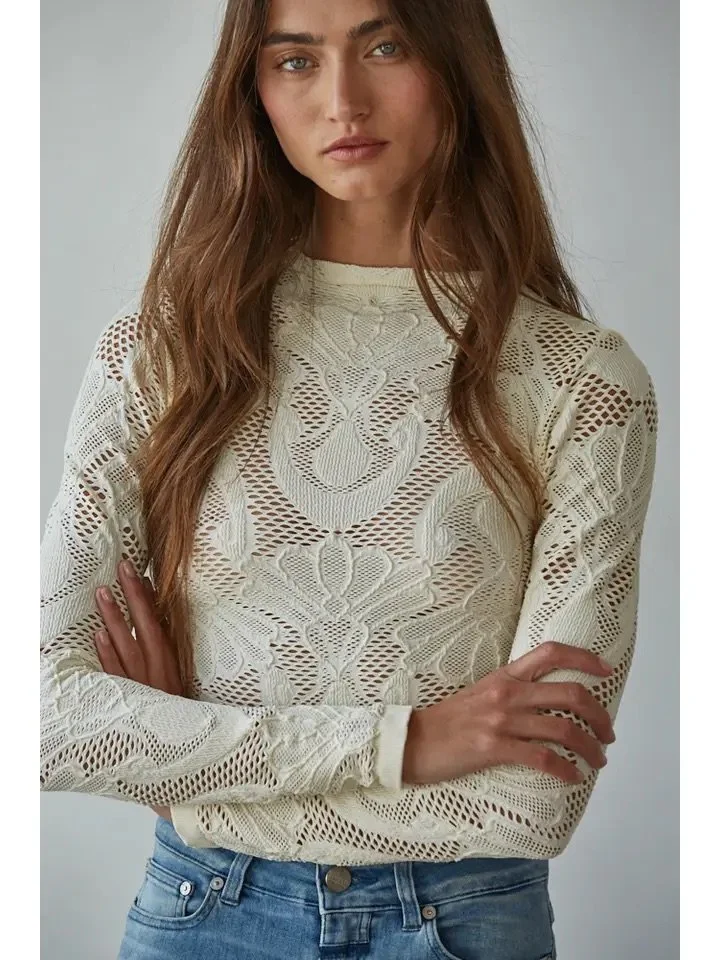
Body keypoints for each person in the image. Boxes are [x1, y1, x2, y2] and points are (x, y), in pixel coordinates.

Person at [40, 1, 659, 958]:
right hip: (205, 918)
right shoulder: (162, 352)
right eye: (294, 60)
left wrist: (189, 768)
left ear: (455, 64)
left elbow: (531, 804)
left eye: (385, 46)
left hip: (459, 922)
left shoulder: (583, 382)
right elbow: (47, 719)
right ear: (252, 92)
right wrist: (411, 741)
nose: (343, 101)